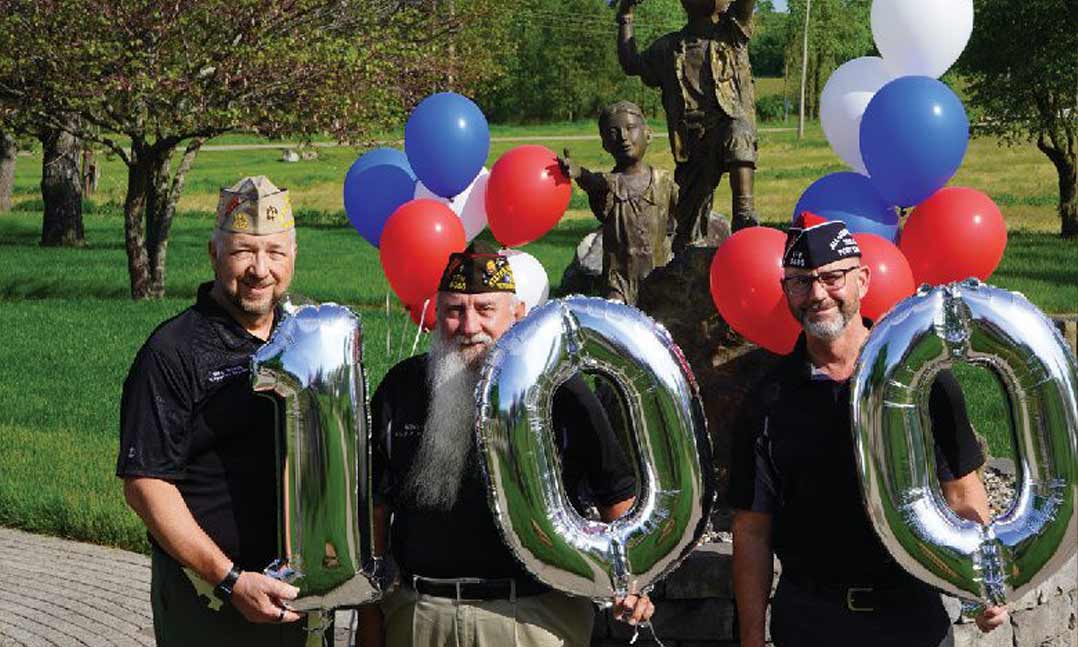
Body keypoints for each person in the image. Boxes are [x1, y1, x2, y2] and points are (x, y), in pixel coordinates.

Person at [729, 221, 1009, 647]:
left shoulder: (922, 379)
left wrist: (985, 580)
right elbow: (752, 528)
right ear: (786, 291)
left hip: (912, 617)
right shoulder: (767, 399)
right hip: (811, 622)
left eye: (831, 277)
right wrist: (750, 638)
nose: (818, 294)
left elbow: (963, 492)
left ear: (862, 279)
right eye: (801, 282)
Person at [359, 243, 654, 647]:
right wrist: (371, 618)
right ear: (435, 316)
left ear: (515, 315)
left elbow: (615, 493)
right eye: (454, 310)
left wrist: (632, 582)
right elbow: (375, 506)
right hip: (420, 616)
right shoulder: (402, 387)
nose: (468, 326)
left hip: (534, 618)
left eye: (484, 309)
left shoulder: (562, 391)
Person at [116, 176, 315, 646]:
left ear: (293, 256)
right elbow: (146, 485)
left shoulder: (306, 340)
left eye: (274, 252)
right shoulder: (173, 351)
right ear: (214, 253)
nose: (259, 269)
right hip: (209, 599)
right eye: (243, 251)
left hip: (297, 596)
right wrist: (229, 580)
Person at [616, 0, 760, 251]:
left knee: (739, 132)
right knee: (689, 231)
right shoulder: (668, 48)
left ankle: (744, 214)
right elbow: (632, 63)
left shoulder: (731, 33)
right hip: (691, 143)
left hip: (725, 124)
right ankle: (688, 263)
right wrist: (626, 15)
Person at [559, 100, 678, 305]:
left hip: (660, 277)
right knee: (618, 327)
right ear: (605, 143)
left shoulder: (663, 182)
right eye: (614, 132)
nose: (623, 137)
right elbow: (594, 182)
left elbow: (684, 215)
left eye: (631, 128)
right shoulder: (609, 185)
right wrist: (579, 173)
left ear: (648, 134)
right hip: (620, 284)